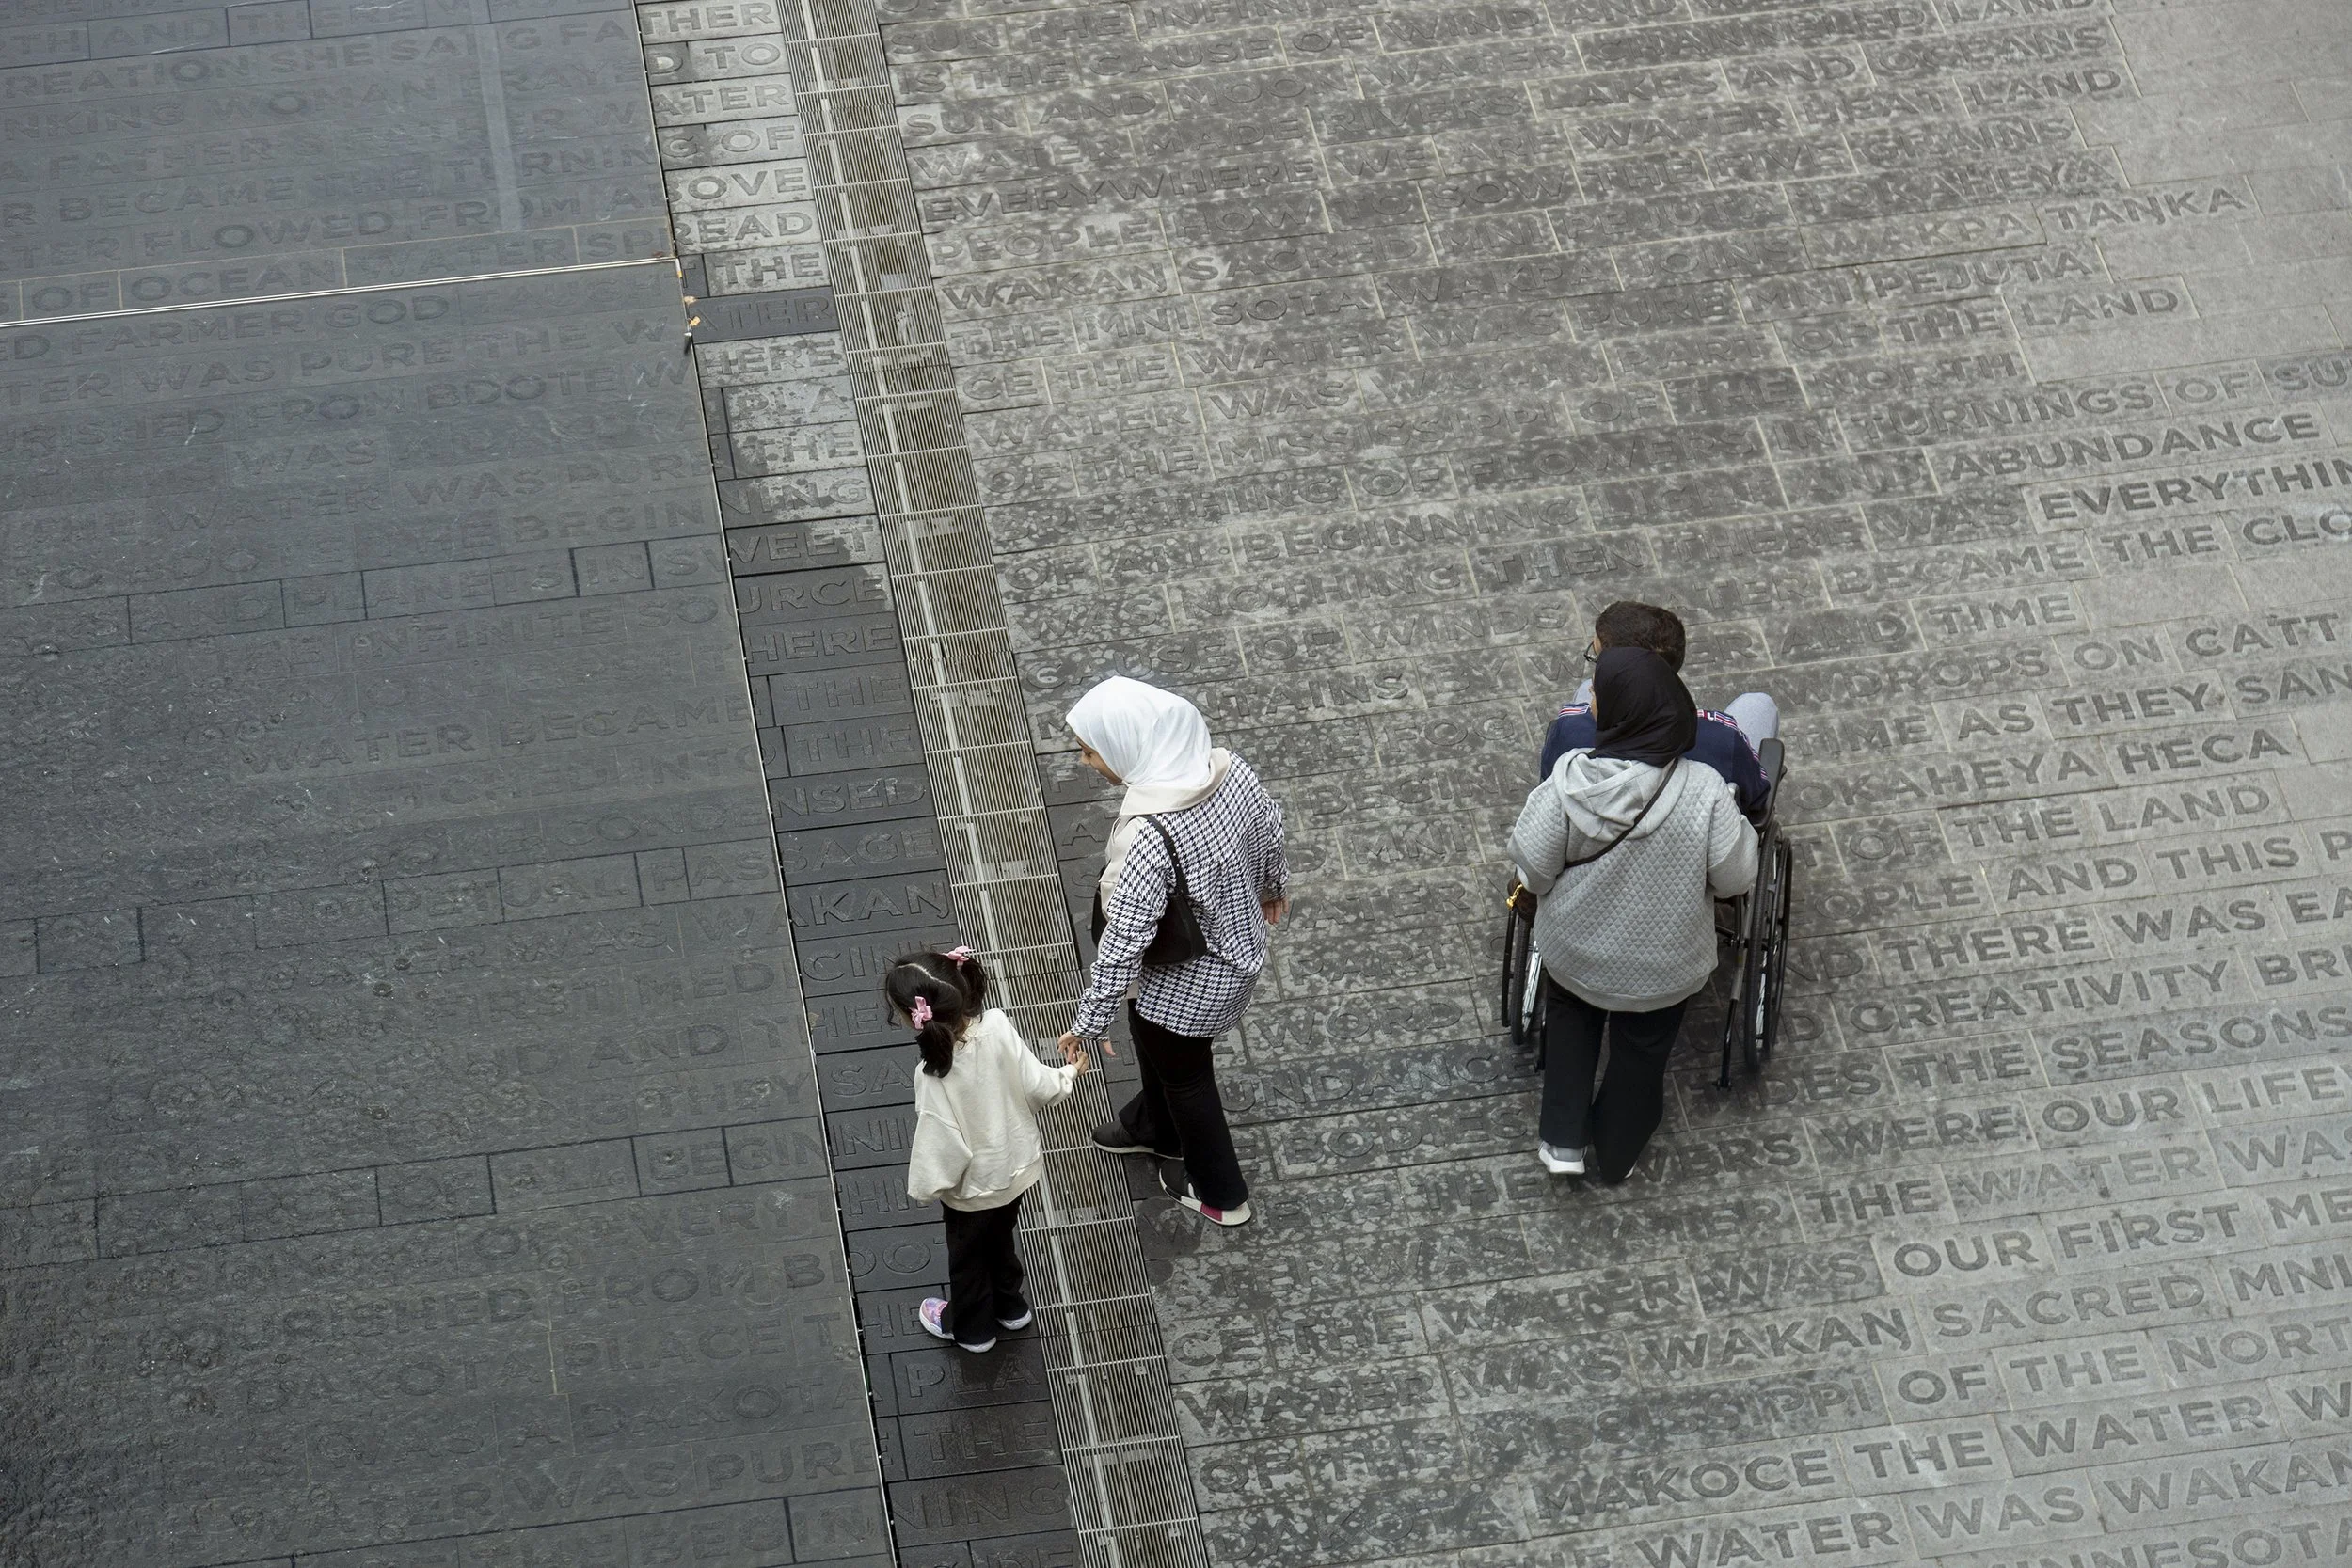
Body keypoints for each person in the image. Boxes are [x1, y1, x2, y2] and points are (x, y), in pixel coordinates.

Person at [1510, 648, 1758, 1182]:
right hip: (1664, 967)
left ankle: (1563, 1143)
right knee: (1641, 1056)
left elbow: (1532, 866)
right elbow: (1737, 879)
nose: (1592, 700)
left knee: (1572, 1031)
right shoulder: (1706, 792)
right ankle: (1617, 1152)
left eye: (1598, 694)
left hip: (1574, 955)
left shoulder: (1570, 784)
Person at [1055, 676, 1288, 1228]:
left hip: (1187, 984)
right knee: (1156, 1042)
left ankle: (1220, 1194)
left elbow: (1124, 943)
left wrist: (1088, 1025)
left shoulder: (1148, 836)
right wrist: (1272, 887)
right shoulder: (1230, 771)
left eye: (1092, 751)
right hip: (1237, 947)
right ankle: (1149, 1128)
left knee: (1186, 1074)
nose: (1088, 762)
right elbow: (1270, 831)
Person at [897, 946, 1089, 1353]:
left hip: (971, 1192)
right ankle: (1011, 1306)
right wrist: (1069, 1072)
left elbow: (941, 1142)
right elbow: (1037, 1085)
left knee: (967, 1258)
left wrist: (925, 1188)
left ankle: (973, 1330)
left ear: (911, 1016)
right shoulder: (999, 1025)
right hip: (1016, 1170)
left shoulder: (933, 1073)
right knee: (1001, 1238)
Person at [1541, 601, 1777, 821]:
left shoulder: (1568, 732)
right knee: (1758, 704)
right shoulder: (1722, 738)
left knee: (1583, 690)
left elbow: (1547, 793)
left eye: (1599, 659)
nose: (1595, 680)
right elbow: (1756, 801)